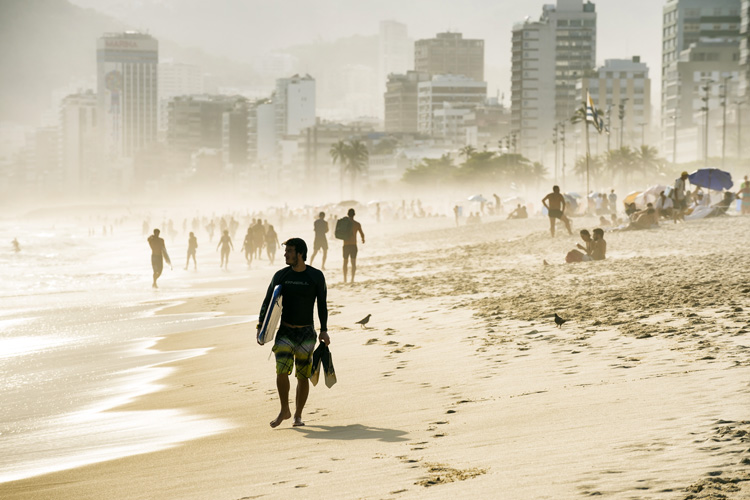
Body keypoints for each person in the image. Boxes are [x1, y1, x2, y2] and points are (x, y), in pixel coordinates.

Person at [257, 238, 329, 428]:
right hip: (285, 331)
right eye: (286, 251)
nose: (285, 254)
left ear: (300, 254)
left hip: (306, 332)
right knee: (281, 371)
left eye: (289, 251)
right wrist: (261, 328)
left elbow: (322, 304)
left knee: (302, 375)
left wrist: (324, 330)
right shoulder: (281, 276)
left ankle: (298, 415)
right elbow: (268, 302)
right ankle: (284, 410)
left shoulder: (315, 277)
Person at [342, 208, 365, 283]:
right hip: (353, 245)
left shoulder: (344, 224)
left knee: (345, 262)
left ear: (347, 214)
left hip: (345, 245)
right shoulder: (357, 224)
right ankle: (352, 279)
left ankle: (345, 279)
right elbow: (362, 234)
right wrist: (362, 239)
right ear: (354, 215)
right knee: (353, 263)